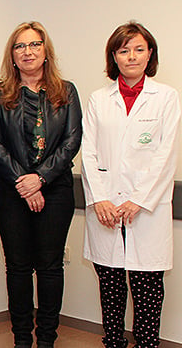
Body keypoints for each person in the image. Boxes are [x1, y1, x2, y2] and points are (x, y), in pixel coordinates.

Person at [81, 22, 180, 348]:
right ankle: (113, 341)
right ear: (114, 56)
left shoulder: (166, 97)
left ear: (150, 53)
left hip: (145, 211)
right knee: (110, 287)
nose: (132, 56)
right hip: (107, 209)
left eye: (139, 49)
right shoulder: (99, 99)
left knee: (148, 287)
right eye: (124, 50)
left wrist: (138, 201)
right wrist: (100, 200)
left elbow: (165, 155)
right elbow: (89, 152)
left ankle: (147, 343)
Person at [0, 22, 82, 348]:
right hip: (10, 192)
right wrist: (23, 183)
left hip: (55, 190)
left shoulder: (66, 91)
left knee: (51, 267)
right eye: (20, 46)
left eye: (34, 45)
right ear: (12, 56)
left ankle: (47, 341)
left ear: (45, 51)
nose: (27, 52)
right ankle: (23, 340)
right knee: (18, 268)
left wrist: (40, 179)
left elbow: (71, 141)